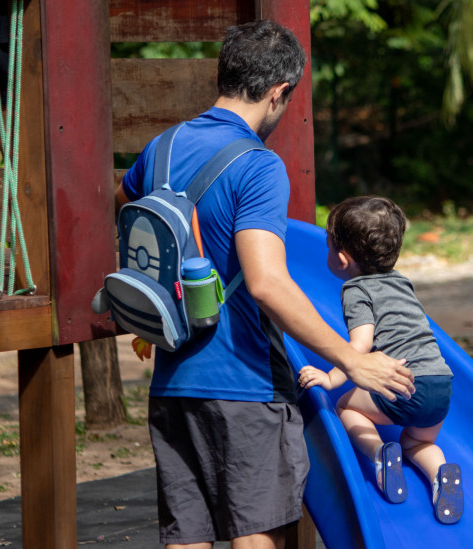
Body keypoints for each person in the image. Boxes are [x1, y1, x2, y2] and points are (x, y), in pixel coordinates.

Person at [114, 21, 415, 549]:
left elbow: (126, 202)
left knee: (186, 538)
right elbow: (267, 284)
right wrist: (352, 359)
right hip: (245, 386)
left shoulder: (163, 147)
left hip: (174, 381)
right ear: (278, 93)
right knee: (256, 537)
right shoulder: (257, 166)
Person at [298, 196, 464, 524]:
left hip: (404, 384)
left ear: (342, 259)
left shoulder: (356, 290)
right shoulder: (402, 282)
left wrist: (331, 378)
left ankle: (380, 455)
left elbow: (361, 343)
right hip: (441, 385)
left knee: (346, 407)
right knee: (418, 440)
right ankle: (440, 473)